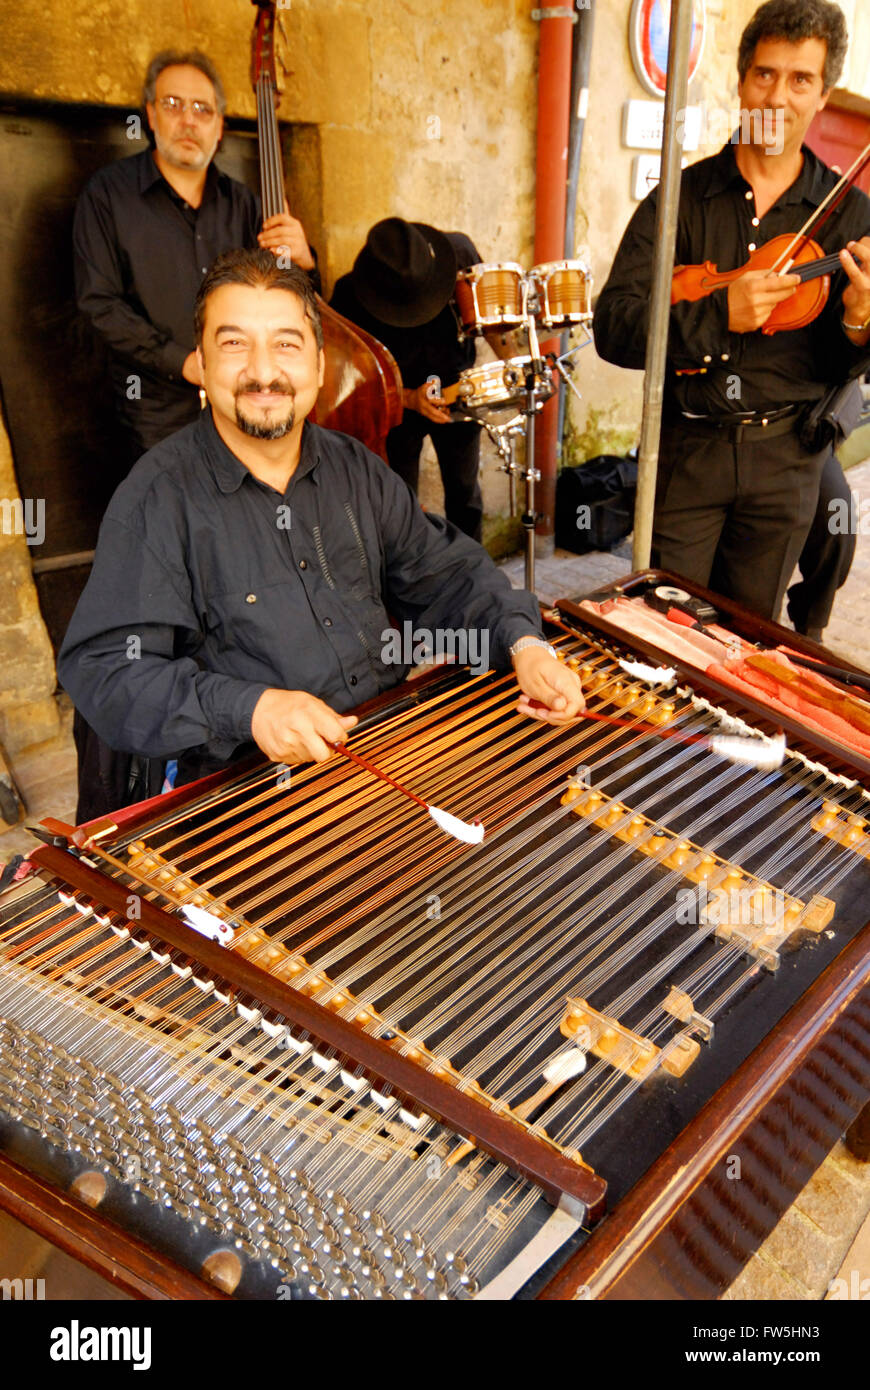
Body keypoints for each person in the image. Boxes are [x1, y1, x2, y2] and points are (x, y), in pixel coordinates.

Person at [58, 250, 584, 819]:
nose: (263, 372)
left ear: (316, 364)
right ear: (202, 366)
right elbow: (107, 671)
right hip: (250, 795)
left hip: (386, 752)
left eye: (286, 344)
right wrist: (251, 709)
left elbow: (447, 575)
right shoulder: (157, 498)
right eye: (234, 344)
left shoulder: (353, 468)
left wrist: (523, 644)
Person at [593, 0, 870, 631]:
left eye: (801, 79)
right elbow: (613, 326)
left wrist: (858, 320)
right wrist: (719, 314)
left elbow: (844, 360)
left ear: (823, 95)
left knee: (745, 639)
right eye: (765, 74)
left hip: (785, 462)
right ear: (741, 81)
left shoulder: (851, 218)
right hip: (687, 452)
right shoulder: (679, 200)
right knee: (660, 631)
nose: (778, 96)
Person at [73, 48, 318, 469]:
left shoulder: (244, 203)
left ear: (219, 127)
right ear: (150, 115)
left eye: (203, 110)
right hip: (153, 411)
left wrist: (303, 260)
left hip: (242, 400)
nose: (188, 120)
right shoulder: (108, 195)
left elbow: (279, 297)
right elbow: (99, 305)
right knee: (177, 526)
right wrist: (184, 363)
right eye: (173, 105)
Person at [331, 218, 499, 542]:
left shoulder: (461, 253)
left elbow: (488, 322)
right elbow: (349, 381)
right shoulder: (349, 296)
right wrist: (408, 398)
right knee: (399, 508)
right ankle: (409, 586)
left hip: (456, 389)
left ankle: (475, 582)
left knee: (466, 497)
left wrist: (517, 365)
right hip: (398, 403)